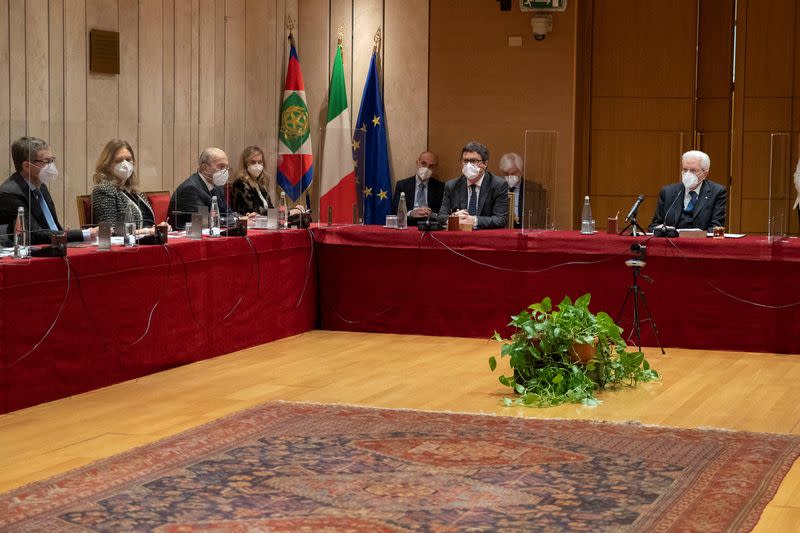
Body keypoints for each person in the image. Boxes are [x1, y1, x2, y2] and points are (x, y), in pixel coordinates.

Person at [0, 136, 96, 244]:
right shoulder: (10, 194)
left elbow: (54, 228)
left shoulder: (41, 187)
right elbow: (33, 234)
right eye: (46, 161)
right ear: (27, 166)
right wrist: (85, 234)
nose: (51, 166)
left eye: (52, 160)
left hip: (55, 248)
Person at [649, 150, 726, 232]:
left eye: (693, 170)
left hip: (700, 242)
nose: (688, 174)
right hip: (672, 241)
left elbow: (716, 227)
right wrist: (661, 229)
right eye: (685, 170)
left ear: (705, 173)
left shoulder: (717, 192)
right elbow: (654, 225)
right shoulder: (667, 192)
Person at [91, 139, 158, 234]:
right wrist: (146, 231)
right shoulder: (103, 190)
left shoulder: (135, 191)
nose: (125, 164)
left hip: (147, 243)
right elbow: (110, 231)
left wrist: (159, 228)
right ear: (107, 165)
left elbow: (148, 222)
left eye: (128, 159)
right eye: (118, 160)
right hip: (124, 246)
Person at [437, 141, 508, 229]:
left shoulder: (498, 185)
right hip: (459, 236)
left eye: (474, 161)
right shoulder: (452, 185)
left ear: (485, 164)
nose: (468, 165)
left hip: (485, 237)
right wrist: (454, 217)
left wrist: (473, 220)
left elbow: (500, 219)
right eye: (465, 161)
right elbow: (440, 217)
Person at [168, 147, 233, 230]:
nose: (225, 171)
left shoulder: (217, 187)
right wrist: (235, 220)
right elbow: (205, 222)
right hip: (189, 238)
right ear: (204, 168)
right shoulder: (190, 189)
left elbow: (228, 213)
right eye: (221, 166)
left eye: (226, 167)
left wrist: (244, 218)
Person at [391, 151, 444, 225]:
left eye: (431, 166)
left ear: (435, 168)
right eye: (423, 164)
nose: (426, 168)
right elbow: (395, 210)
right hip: (408, 225)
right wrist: (411, 213)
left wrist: (432, 214)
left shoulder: (441, 187)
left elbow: (443, 212)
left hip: (430, 226)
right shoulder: (402, 185)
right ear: (417, 163)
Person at [497, 152, 548, 229]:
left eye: (514, 173)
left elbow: (542, 218)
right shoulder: (496, 189)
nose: (510, 176)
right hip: (504, 231)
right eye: (506, 173)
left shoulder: (535, 190)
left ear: (521, 171)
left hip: (527, 231)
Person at [231, 146, 273, 215]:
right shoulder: (240, 183)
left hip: (264, 222)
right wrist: (287, 212)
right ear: (245, 164)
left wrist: (287, 212)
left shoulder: (261, 183)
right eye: (253, 162)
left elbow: (271, 208)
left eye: (260, 162)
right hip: (248, 223)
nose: (257, 165)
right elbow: (255, 211)